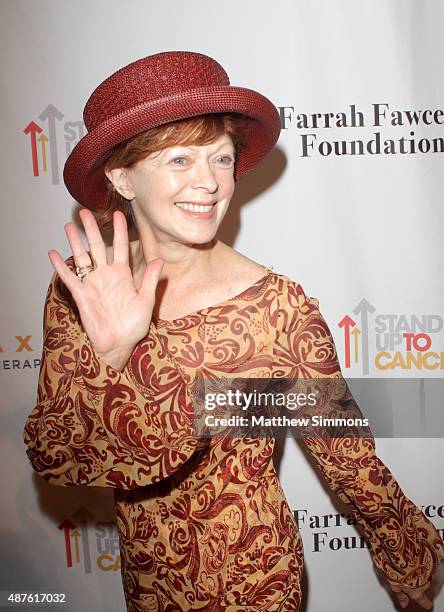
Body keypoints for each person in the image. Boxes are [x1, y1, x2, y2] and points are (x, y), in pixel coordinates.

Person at [23, 51, 443, 612]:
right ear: (121, 176)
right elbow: (57, 454)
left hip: (259, 581)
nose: (209, 182)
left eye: (220, 158)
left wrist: (405, 551)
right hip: (149, 585)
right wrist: (116, 352)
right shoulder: (83, 289)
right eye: (178, 159)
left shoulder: (277, 308)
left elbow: (346, 455)